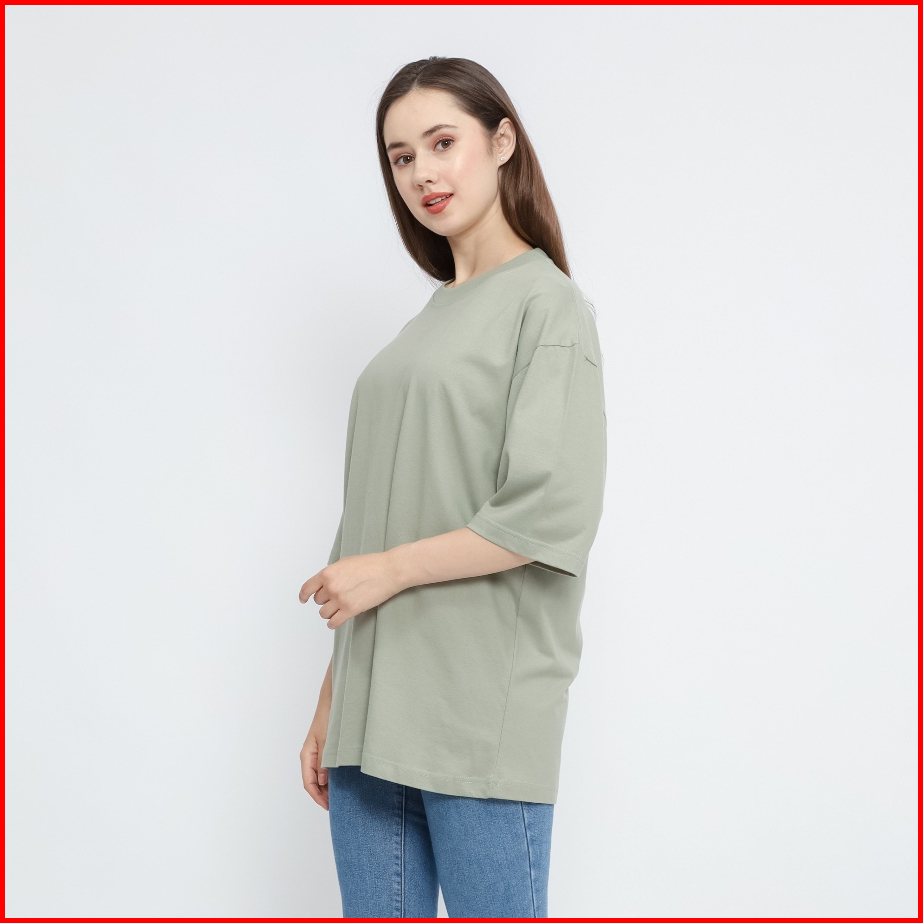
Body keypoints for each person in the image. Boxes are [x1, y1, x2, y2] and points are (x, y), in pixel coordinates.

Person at [297, 56, 607, 918]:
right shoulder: (422, 325)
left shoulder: (546, 307)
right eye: (401, 157)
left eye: (442, 143)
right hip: (371, 712)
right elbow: (368, 524)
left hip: (474, 713)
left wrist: (388, 570)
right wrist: (331, 699)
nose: (421, 174)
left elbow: (547, 510)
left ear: (502, 141)